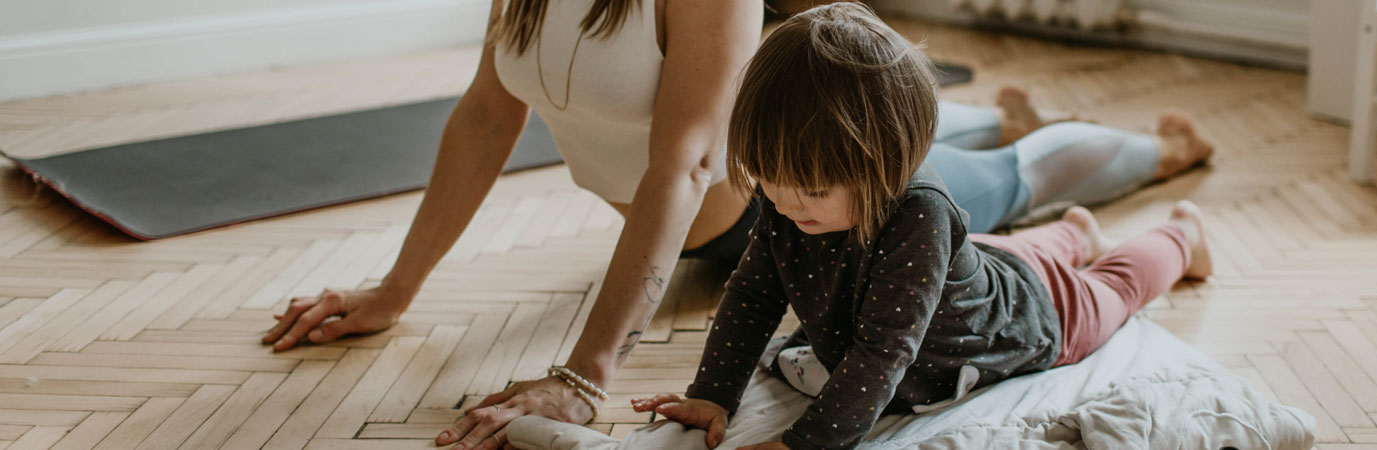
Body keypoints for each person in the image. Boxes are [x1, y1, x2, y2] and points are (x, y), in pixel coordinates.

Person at [258, 1, 1211, 448]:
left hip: (880, 229)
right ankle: (1045, 191)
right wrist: (395, 291)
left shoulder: (889, 199)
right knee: (1017, 240)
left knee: (1025, 198)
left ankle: (1159, 177)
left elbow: (687, 167)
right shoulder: (804, 193)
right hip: (833, 195)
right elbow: (483, 114)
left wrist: (583, 378)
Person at [629, 5, 1211, 449]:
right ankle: (1076, 232)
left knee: (1114, 287)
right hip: (972, 268)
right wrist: (712, 393)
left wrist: (805, 443)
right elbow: (754, 294)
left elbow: (884, 352)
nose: (782, 204)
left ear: (888, 164)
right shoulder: (788, 201)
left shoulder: (920, 215)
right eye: (769, 181)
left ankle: (1182, 236)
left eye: (810, 190)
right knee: (1010, 255)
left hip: (1032, 313)